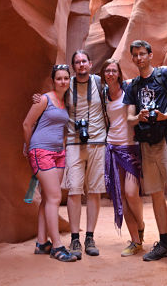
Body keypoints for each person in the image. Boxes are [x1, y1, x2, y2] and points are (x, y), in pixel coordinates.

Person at [123, 40, 167, 264]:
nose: (139, 58)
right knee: (155, 193)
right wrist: (140, 117)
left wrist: (166, 115)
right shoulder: (133, 85)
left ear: (150, 55)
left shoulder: (164, 74)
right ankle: (164, 243)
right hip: (147, 143)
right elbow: (129, 119)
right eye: (135, 55)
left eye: (142, 54)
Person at [23, 64, 77, 262]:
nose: (62, 81)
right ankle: (57, 246)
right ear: (53, 81)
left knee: (47, 198)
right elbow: (27, 124)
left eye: (65, 78)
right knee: (55, 198)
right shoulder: (44, 99)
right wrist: (30, 149)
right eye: (59, 78)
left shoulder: (66, 102)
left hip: (58, 153)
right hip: (41, 151)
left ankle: (41, 242)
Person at [64, 50, 107, 260]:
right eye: (77, 62)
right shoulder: (66, 84)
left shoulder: (100, 82)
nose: (81, 65)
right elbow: (53, 99)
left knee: (95, 191)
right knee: (74, 190)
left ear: (90, 63)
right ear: (73, 66)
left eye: (84, 61)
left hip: (98, 142)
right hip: (73, 142)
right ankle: (74, 238)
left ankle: (89, 237)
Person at [101, 59, 144, 257]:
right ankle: (135, 240)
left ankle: (141, 224)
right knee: (122, 197)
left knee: (131, 193)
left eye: (113, 71)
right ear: (104, 74)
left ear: (119, 73)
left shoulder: (129, 89)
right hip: (112, 148)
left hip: (130, 148)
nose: (110, 74)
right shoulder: (103, 94)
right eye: (107, 71)